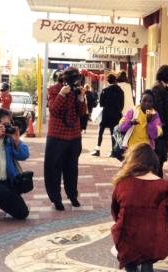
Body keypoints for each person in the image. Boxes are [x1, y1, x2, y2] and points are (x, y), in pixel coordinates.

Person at [111, 143, 168, 272]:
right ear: (154, 162)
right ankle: (147, 265)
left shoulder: (122, 183)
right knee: (148, 253)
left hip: (127, 237)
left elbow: (115, 212)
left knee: (130, 254)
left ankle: (131, 267)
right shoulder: (165, 186)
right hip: (155, 238)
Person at [44, 67, 87, 211]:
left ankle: (72, 196)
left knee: (72, 168)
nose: (76, 82)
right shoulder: (54, 89)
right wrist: (62, 94)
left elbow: (82, 113)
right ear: (64, 79)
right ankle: (56, 199)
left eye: (77, 79)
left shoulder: (77, 90)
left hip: (74, 136)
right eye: (73, 79)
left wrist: (81, 98)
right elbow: (54, 110)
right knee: (53, 169)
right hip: (57, 135)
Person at [152, 65, 168, 177]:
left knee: (160, 161)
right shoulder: (157, 88)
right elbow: (159, 111)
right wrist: (163, 128)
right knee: (158, 161)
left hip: (163, 132)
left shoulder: (164, 88)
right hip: (160, 133)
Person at [91, 75, 124, 157]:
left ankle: (97, 149)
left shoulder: (105, 90)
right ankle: (114, 151)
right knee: (113, 133)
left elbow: (101, 103)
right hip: (116, 115)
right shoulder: (120, 91)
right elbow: (122, 105)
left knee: (101, 131)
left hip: (106, 115)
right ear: (115, 80)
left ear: (108, 81)